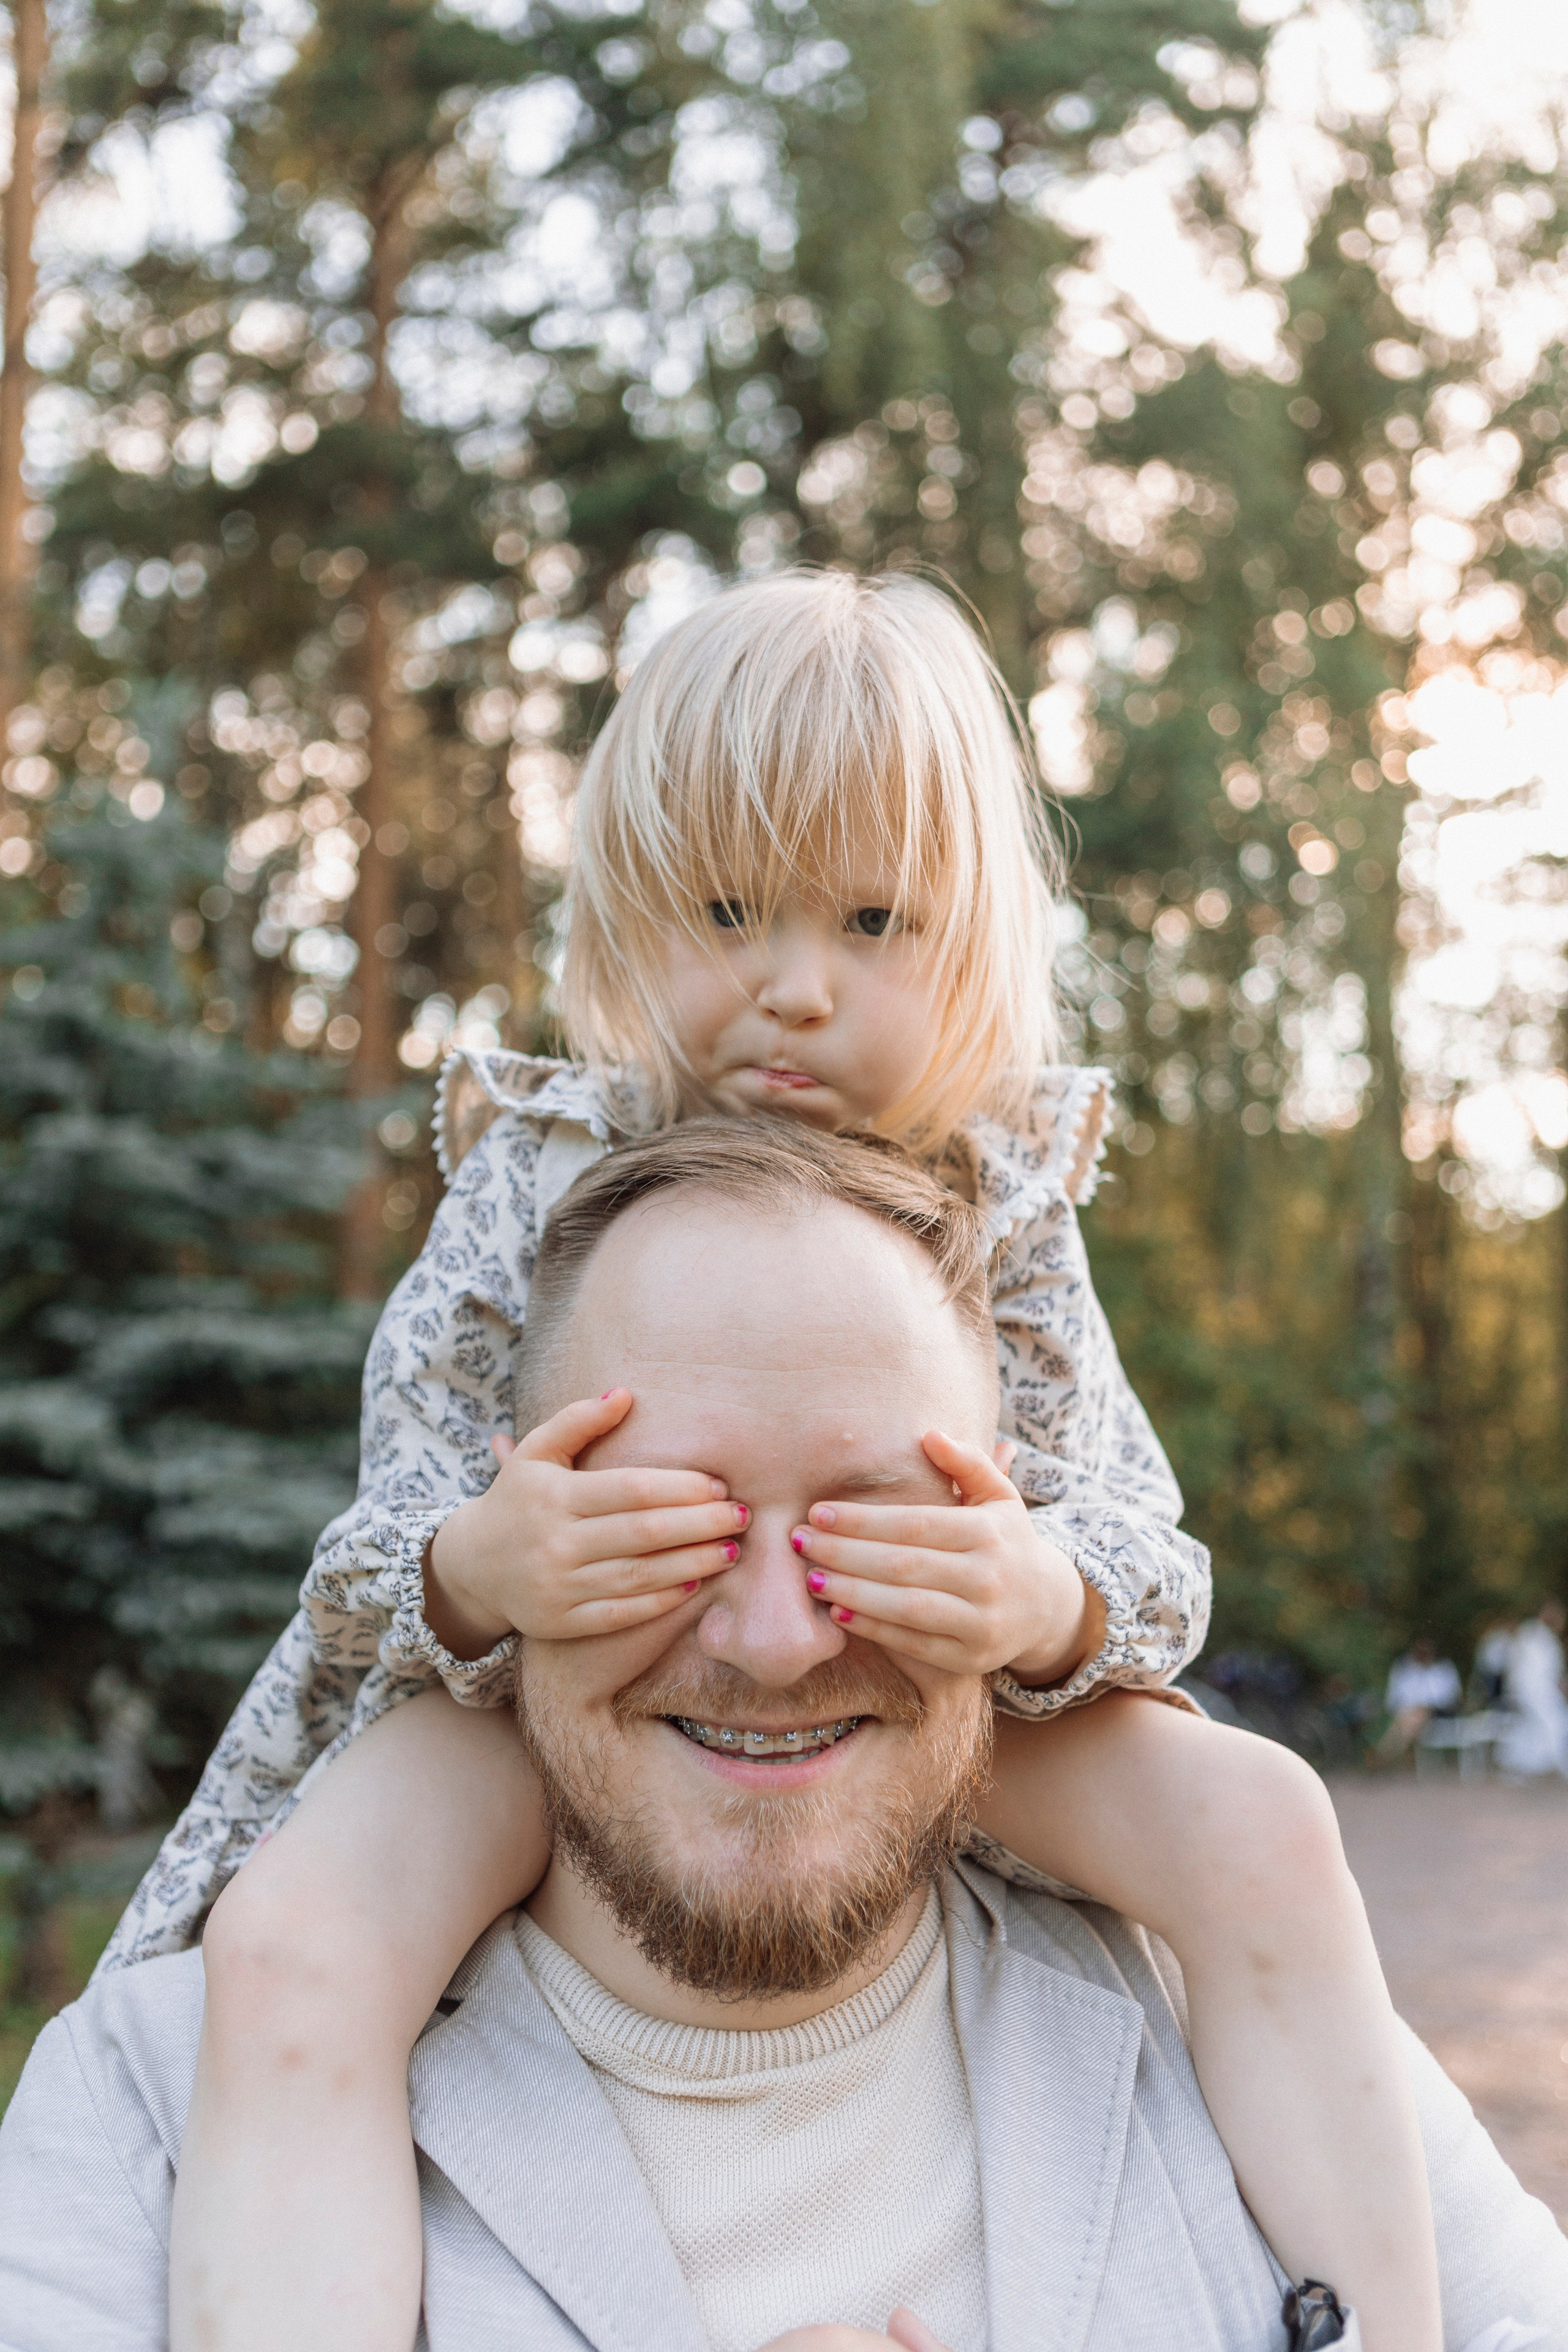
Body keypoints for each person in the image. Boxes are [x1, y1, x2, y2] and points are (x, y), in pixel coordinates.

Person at [95, 574, 1440, 2350]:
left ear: (968, 941)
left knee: (1263, 1819)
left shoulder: (1003, 1198)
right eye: (730, 912)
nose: (796, 990)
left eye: (874, 920)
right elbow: (384, 1520)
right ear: (631, 915)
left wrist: (1043, 1595)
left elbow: (1141, 1546)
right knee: (304, 1940)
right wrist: (483, 1567)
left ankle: (1387, 2322)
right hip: (550, 1703)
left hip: (945, 1699)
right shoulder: (538, 1168)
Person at [3, 1122, 1565, 2352]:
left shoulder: (1247, 2010)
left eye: (874, 1531)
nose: (773, 1635)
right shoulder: (155, 2106)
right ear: (509, 1510)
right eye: (659, 1525)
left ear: (1011, 1521)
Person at [1498, 1599, 1568, 1780]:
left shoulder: (1544, 1637)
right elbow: (1526, 1671)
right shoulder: (1532, 1633)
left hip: (1539, 1692)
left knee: (1530, 1731)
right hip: (1533, 1693)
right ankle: (1559, 1766)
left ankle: (1520, 1769)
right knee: (1555, 1724)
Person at [1376, 1638, 1463, 1765]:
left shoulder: (1444, 1669)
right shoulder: (1405, 1669)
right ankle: (1387, 1756)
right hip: (1408, 1715)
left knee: (1416, 1715)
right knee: (1413, 1717)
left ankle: (1383, 1756)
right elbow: (1394, 1700)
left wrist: (1423, 1706)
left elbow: (1450, 1699)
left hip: (1440, 1713)